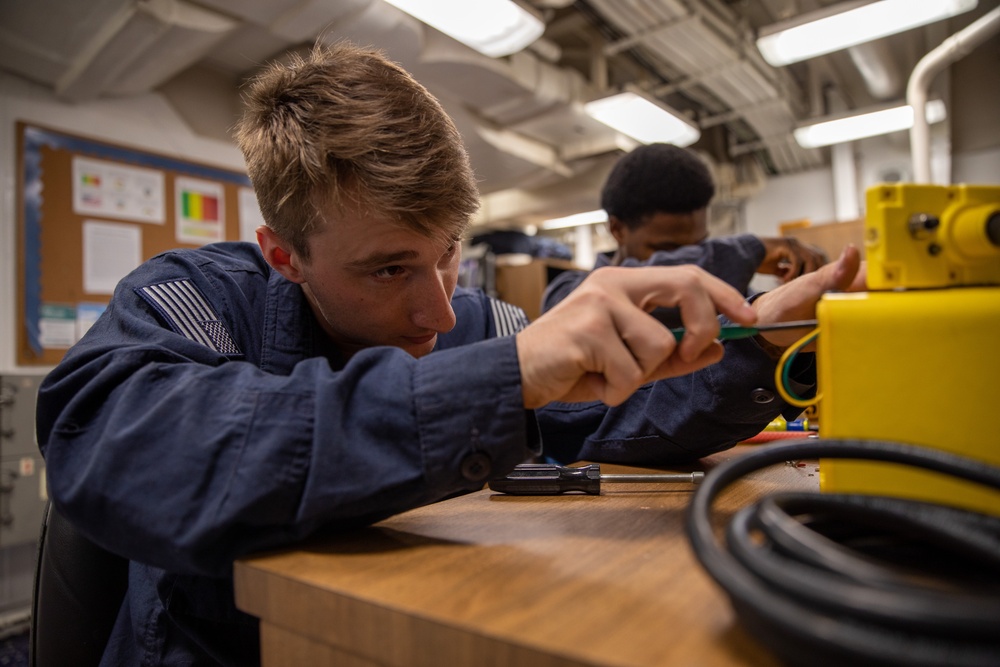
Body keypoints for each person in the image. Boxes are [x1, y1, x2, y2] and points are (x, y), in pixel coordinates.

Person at [35, 42, 863, 666]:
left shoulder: (479, 319)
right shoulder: (195, 303)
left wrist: (758, 346)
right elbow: (122, 443)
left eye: (448, 254)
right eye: (390, 268)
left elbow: (602, 418)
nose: (438, 308)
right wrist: (501, 380)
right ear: (284, 255)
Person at [542, 143, 829, 319]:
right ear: (617, 229)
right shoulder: (567, 296)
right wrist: (751, 251)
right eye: (668, 250)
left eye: (700, 246)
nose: (691, 261)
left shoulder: (729, 294)